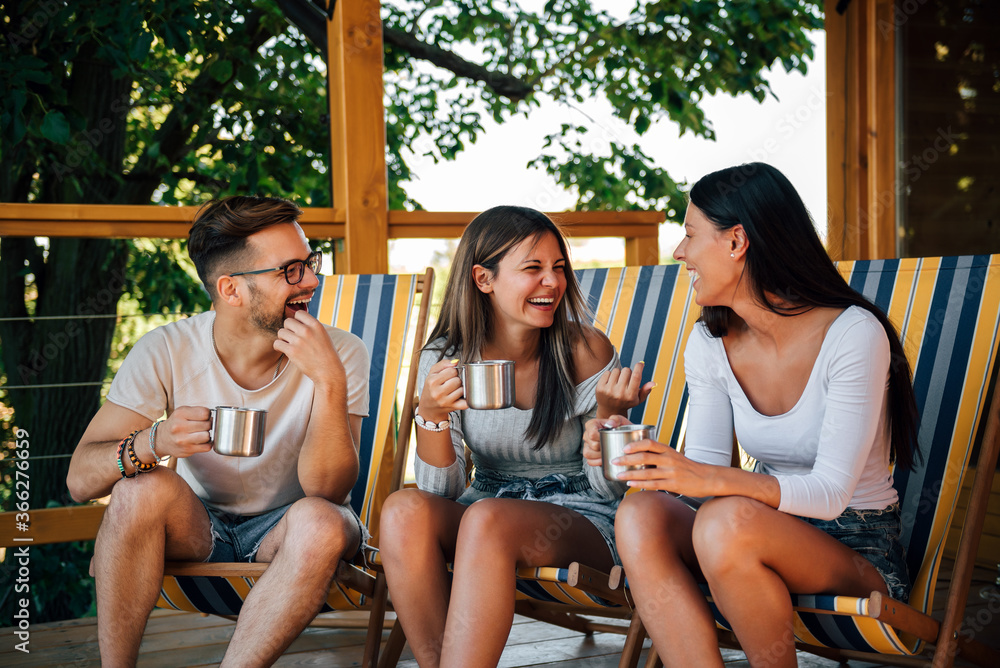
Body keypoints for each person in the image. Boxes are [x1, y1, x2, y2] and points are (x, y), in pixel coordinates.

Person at [590, 163, 919, 668]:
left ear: (736, 241)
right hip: (751, 526)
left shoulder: (853, 334)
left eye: (690, 235)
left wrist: (706, 480)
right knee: (640, 513)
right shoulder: (709, 341)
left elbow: (831, 494)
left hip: (857, 545)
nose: (679, 252)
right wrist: (641, 457)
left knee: (726, 521)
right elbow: (701, 467)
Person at [66, 195, 370, 668]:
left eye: (310, 261)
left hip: (289, 530)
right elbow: (80, 481)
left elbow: (328, 491)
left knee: (322, 520)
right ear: (231, 290)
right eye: (290, 270)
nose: (312, 279)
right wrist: (156, 441)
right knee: (135, 493)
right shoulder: (166, 349)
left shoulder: (339, 352)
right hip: (199, 527)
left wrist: (328, 381)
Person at [379, 205, 652, 667]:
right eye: (533, 268)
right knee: (403, 510)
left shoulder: (584, 350)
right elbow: (438, 494)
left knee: (488, 520)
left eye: (558, 268)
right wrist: (430, 416)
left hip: (579, 513)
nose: (553, 282)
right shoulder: (446, 357)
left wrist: (609, 416)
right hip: (482, 504)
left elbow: (614, 488)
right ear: (483, 279)